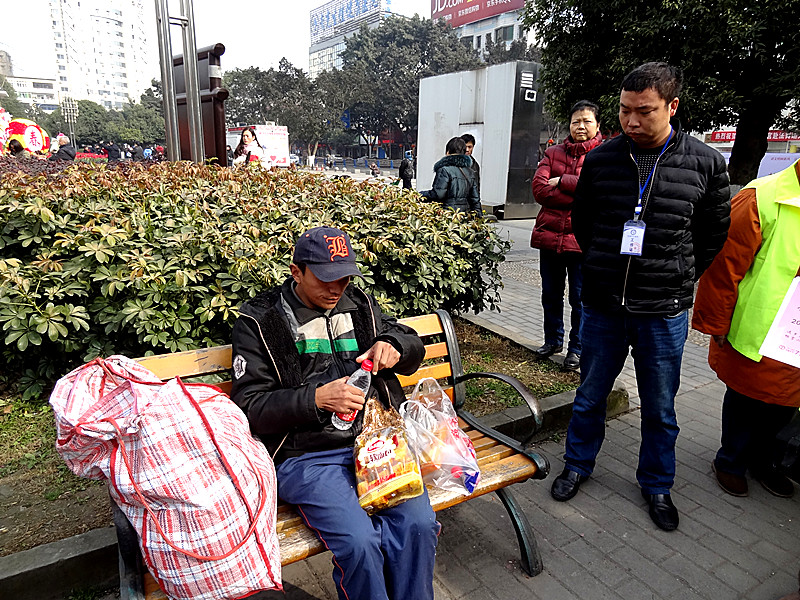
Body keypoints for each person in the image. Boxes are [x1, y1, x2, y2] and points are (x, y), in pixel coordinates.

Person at [550, 62, 731, 532]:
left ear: (672, 107)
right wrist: (604, 266)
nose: (631, 121)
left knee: (660, 406)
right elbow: (586, 224)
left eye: (644, 112)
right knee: (589, 395)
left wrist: (677, 277)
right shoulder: (603, 159)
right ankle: (577, 465)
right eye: (625, 110)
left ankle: (657, 484)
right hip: (605, 303)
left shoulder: (706, 163)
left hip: (663, 310)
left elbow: (713, 234)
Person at [230, 226, 437, 600]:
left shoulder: (359, 305)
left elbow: (409, 342)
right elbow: (251, 407)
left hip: (376, 445)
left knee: (419, 524)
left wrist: (393, 345)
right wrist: (316, 399)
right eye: (325, 279)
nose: (335, 288)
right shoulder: (261, 322)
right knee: (359, 543)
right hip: (307, 456)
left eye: (343, 277)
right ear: (296, 272)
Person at [692, 158, 800, 499]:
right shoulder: (762, 196)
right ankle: (731, 460)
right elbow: (723, 267)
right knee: (745, 398)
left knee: (787, 402)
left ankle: (764, 461)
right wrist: (716, 321)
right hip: (760, 328)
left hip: (795, 337)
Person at [530, 100, 603, 371]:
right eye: (576, 121)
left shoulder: (603, 155)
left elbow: (597, 193)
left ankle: (577, 349)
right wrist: (578, 192)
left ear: (597, 125)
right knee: (551, 294)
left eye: (586, 121)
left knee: (580, 300)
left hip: (583, 242)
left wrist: (561, 181)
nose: (580, 126)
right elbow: (539, 190)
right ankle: (553, 341)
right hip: (549, 239)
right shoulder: (552, 152)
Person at [420, 136, 481, 215]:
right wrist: (479, 216)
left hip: (448, 214)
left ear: (448, 152)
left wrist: (421, 194)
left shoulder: (444, 170)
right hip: (464, 215)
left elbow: (438, 194)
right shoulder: (470, 171)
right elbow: (475, 199)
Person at [460, 133, 481, 198]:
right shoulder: (454, 162)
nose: (467, 150)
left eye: (469, 147)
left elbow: (477, 187)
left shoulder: (475, 165)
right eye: (465, 147)